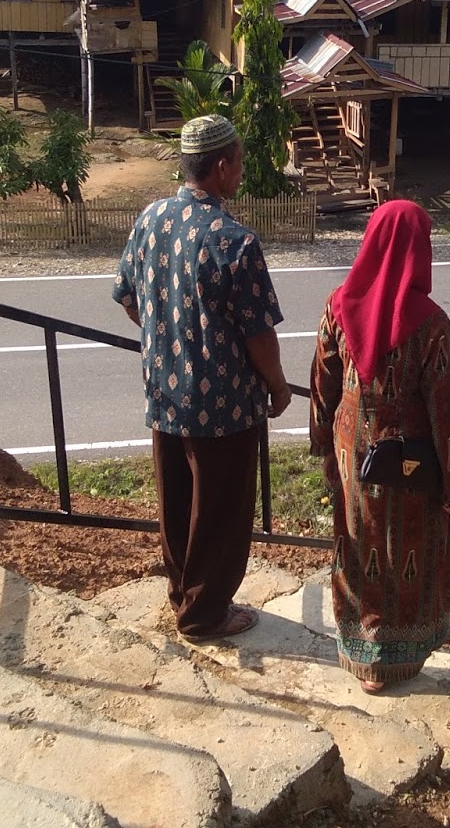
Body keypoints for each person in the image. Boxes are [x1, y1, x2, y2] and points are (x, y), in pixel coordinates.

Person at [112, 113, 292, 642]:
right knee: (220, 511)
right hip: (224, 408)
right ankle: (205, 616)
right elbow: (259, 333)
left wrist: (169, 339)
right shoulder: (235, 241)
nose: (242, 171)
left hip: (165, 394)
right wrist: (279, 386)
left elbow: (128, 297)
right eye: (239, 162)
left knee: (177, 503)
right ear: (221, 167)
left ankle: (183, 595)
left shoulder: (151, 218)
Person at [309, 200, 450, 693]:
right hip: (408, 459)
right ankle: (412, 641)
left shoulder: (338, 304)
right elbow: (445, 409)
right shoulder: (430, 322)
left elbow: (323, 382)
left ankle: (365, 647)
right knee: (414, 546)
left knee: (358, 543)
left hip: (352, 452)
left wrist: (323, 445)